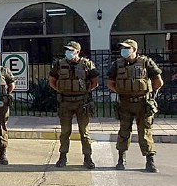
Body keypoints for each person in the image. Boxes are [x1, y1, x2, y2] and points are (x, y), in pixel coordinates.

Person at [107, 39, 163, 173]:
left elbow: (158, 81)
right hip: (125, 103)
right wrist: (122, 91)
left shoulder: (146, 62)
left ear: (134, 50)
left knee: (145, 132)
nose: (123, 51)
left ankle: (150, 161)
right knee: (124, 131)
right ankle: (121, 159)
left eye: (127, 48)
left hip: (143, 103)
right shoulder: (117, 64)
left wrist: (148, 93)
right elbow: (110, 82)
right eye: (122, 48)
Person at [48, 41, 99, 170]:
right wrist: (60, 90)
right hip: (65, 102)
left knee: (84, 132)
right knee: (65, 132)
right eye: (67, 50)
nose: (68, 52)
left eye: (71, 50)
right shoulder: (59, 64)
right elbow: (52, 81)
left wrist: (86, 92)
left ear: (77, 51)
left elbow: (95, 82)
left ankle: (88, 158)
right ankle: (63, 156)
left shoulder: (86, 64)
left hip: (82, 102)